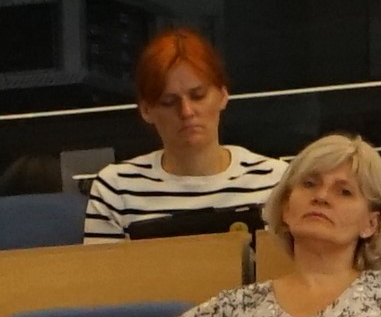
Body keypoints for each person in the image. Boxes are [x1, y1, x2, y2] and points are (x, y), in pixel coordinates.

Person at [101, 137, 381, 317]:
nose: (321, 196)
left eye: (344, 192)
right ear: (286, 208)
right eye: (309, 184)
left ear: (371, 223)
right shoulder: (238, 306)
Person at [83, 27, 285, 239]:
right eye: (168, 102)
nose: (186, 112)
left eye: (198, 96)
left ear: (223, 95)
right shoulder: (116, 188)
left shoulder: (275, 181)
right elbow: (103, 263)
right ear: (146, 110)